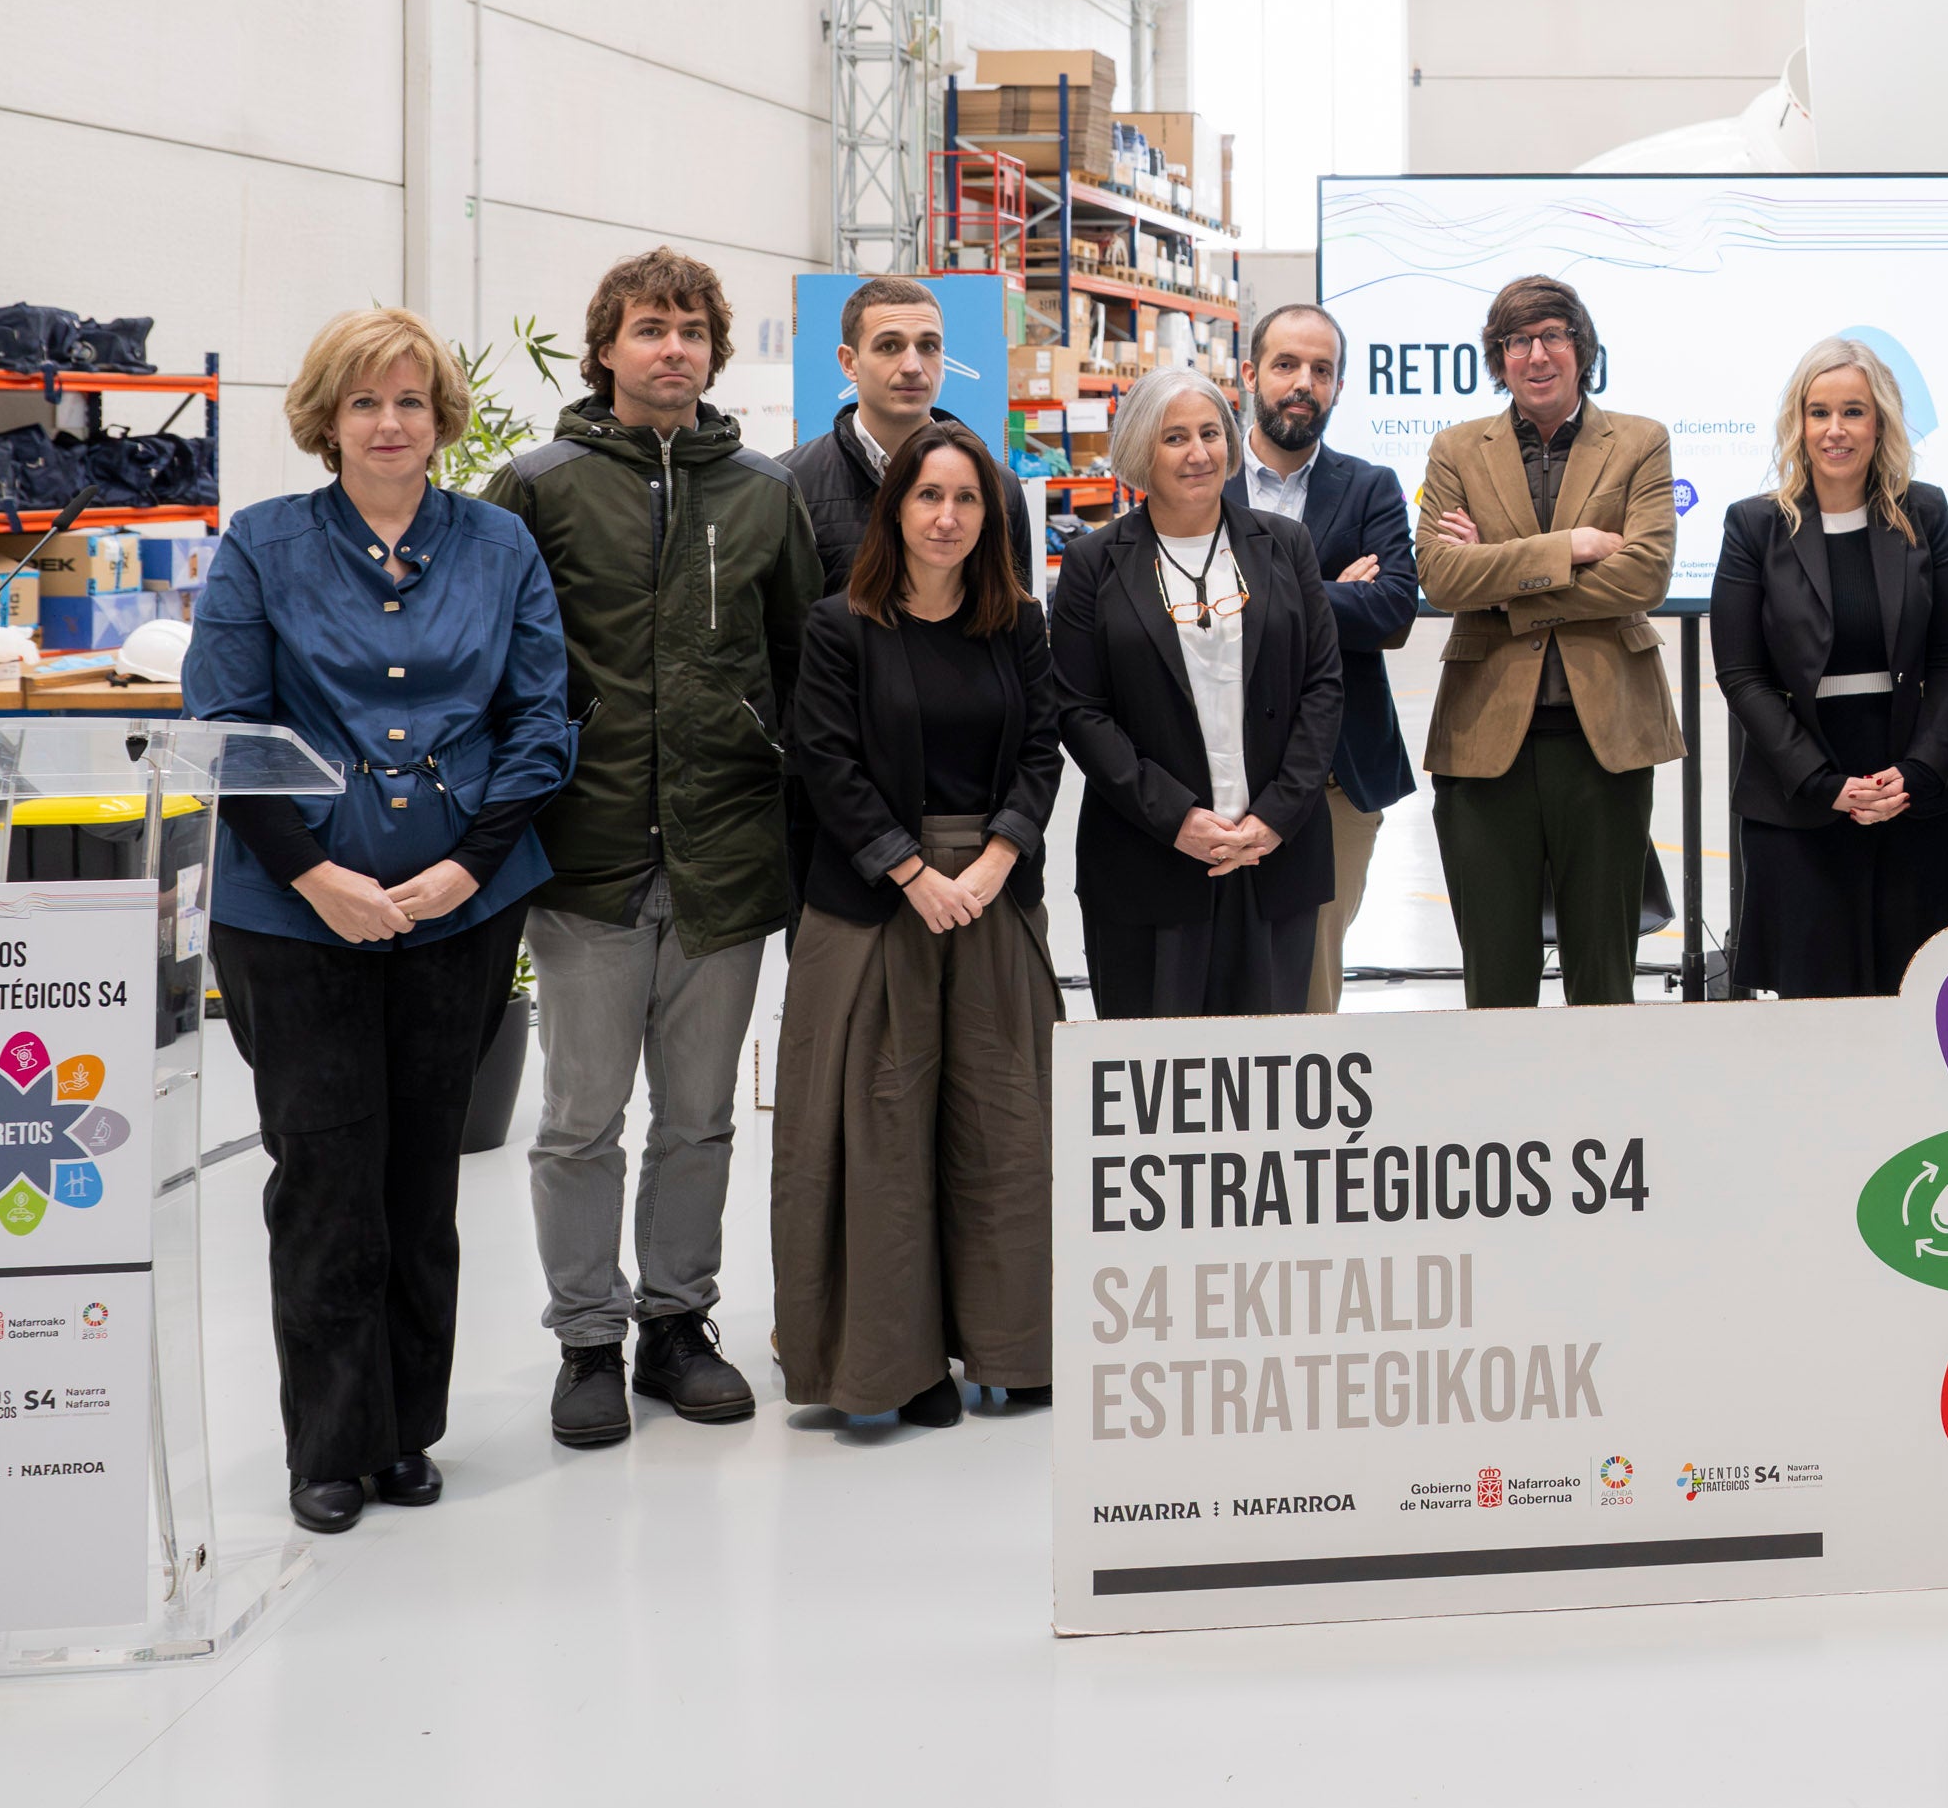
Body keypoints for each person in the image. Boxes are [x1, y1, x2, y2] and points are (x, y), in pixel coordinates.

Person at [186, 305, 573, 1535]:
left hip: (459, 910)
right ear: (326, 420)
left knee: (420, 1175)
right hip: (293, 919)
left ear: (441, 417)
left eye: (410, 401)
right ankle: (330, 1445)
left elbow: (540, 719)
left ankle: (408, 1430)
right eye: (365, 403)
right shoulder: (260, 546)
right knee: (323, 1173)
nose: (390, 423)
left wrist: (469, 867)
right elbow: (227, 731)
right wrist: (316, 876)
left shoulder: (501, 545)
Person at [486, 247, 824, 1450]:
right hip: (587, 857)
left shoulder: (765, 493)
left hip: (726, 857)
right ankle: (587, 1335)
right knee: (581, 1117)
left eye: (690, 330)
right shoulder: (535, 486)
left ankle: (679, 1323)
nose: (671, 348)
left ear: (714, 353)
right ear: (607, 347)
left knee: (699, 1116)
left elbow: (799, 671)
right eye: (648, 328)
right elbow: (496, 670)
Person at [776, 415, 1065, 1425]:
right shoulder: (837, 627)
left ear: (992, 516)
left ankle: (1010, 1344)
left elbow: (1041, 754)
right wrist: (911, 872)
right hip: (872, 905)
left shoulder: (1019, 624)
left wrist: (991, 863)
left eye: (968, 499)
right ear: (894, 507)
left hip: (989, 896)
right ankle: (892, 1367)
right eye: (929, 495)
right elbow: (829, 766)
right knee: (878, 1134)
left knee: (1003, 1126)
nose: (947, 516)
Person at [1415, 280, 1683, 1007]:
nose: (1536, 355)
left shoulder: (1639, 441)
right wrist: (1570, 546)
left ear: (1581, 348)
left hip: (1607, 744)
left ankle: (1610, 1116)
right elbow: (1440, 576)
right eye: (1517, 341)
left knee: (1604, 980)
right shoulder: (1457, 450)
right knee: (1496, 984)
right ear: (1498, 359)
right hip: (1484, 742)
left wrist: (1502, 581)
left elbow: (1645, 574)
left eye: (1552, 336)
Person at [1056, 367, 1349, 1016]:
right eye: (1175, 437)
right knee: (1151, 1080)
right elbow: (1080, 711)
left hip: (1274, 857)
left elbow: (1322, 687)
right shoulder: (1094, 565)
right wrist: (1177, 818)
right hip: (1146, 859)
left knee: (1266, 1076)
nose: (1199, 453)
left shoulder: (1285, 546)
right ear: (1139, 451)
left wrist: (1275, 816)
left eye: (1211, 433)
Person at [1711, 336, 1948, 996]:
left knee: (1922, 1006)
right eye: (1819, 412)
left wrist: (1917, 771)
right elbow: (1741, 674)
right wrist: (1821, 781)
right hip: (1798, 798)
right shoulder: (1753, 527)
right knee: (1815, 1016)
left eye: (1853, 411)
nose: (1836, 430)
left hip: (1912, 792)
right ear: (1797, 424)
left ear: (1880, 421)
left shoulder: (1927, 513)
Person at [1229, 304, 1419, 1013]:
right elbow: (1175, 615)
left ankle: (1301, 1132)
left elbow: (1394, 612)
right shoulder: (1198, 478)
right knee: (1220, 978)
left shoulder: (1369, 486)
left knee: (1311, 989)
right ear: (1251, 374)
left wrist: (1254, 595)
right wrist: (1326, 593)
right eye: (1286, 365)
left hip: (1337, 780)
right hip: (1219, 779)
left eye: (1322, 370)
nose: (1303, 383)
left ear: (1338, 386)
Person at [784, 273, 944, 584]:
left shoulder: (992, 486)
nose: (913, 365)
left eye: (928, 346)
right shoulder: (789, 486)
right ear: (849, 362)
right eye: (889, 346)